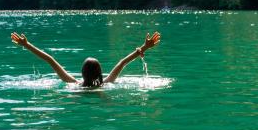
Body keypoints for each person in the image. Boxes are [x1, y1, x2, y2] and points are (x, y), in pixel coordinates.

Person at [10, 31, 161, 87]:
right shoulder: (107, 83)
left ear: (82, 73)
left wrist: (27, 45)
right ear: (100, 73)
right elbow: (123, 62)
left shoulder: (73, 84)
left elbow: (50, 60)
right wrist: (145, 47)